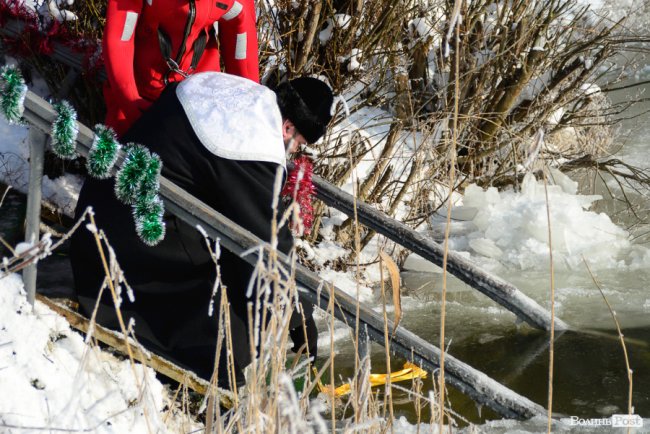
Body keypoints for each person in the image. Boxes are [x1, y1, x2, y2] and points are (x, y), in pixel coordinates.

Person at [70, 71, 334, 386]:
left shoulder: (233, 93)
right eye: (298, 145)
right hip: (128, 241)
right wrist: (297, 314)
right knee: (235, 289)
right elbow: (266, 241)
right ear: (288, 127)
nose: (293, 154)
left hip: (102, 208)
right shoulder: (253, 144)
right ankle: (200, 363)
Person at [102, 0, 259, 137]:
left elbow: (243, 58)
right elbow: (119, 38)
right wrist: (130, 102)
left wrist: (252, 117)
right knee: (114, 147)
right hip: (139, 86)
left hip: (196, 99)